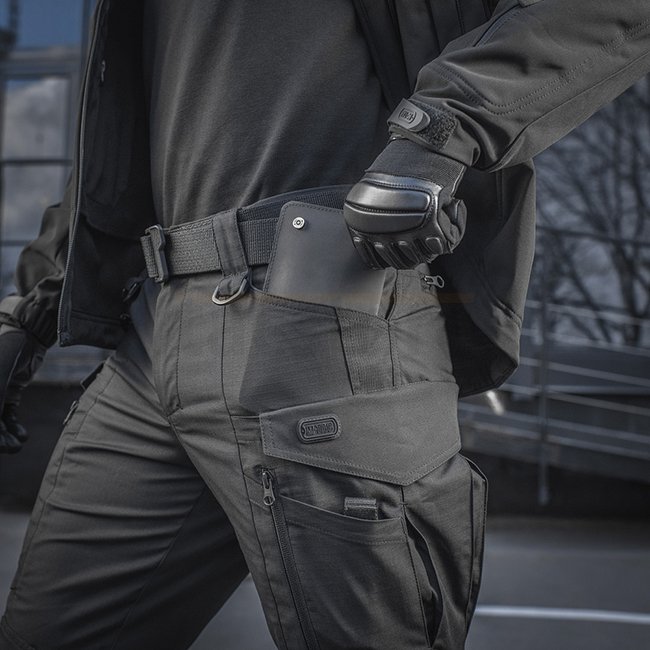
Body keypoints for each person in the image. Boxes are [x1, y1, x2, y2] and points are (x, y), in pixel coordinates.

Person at [1, 1, 648, 648]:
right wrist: (31, 308)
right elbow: (115, 138)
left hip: (326, 302)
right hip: (149, 328)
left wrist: (439, 130)